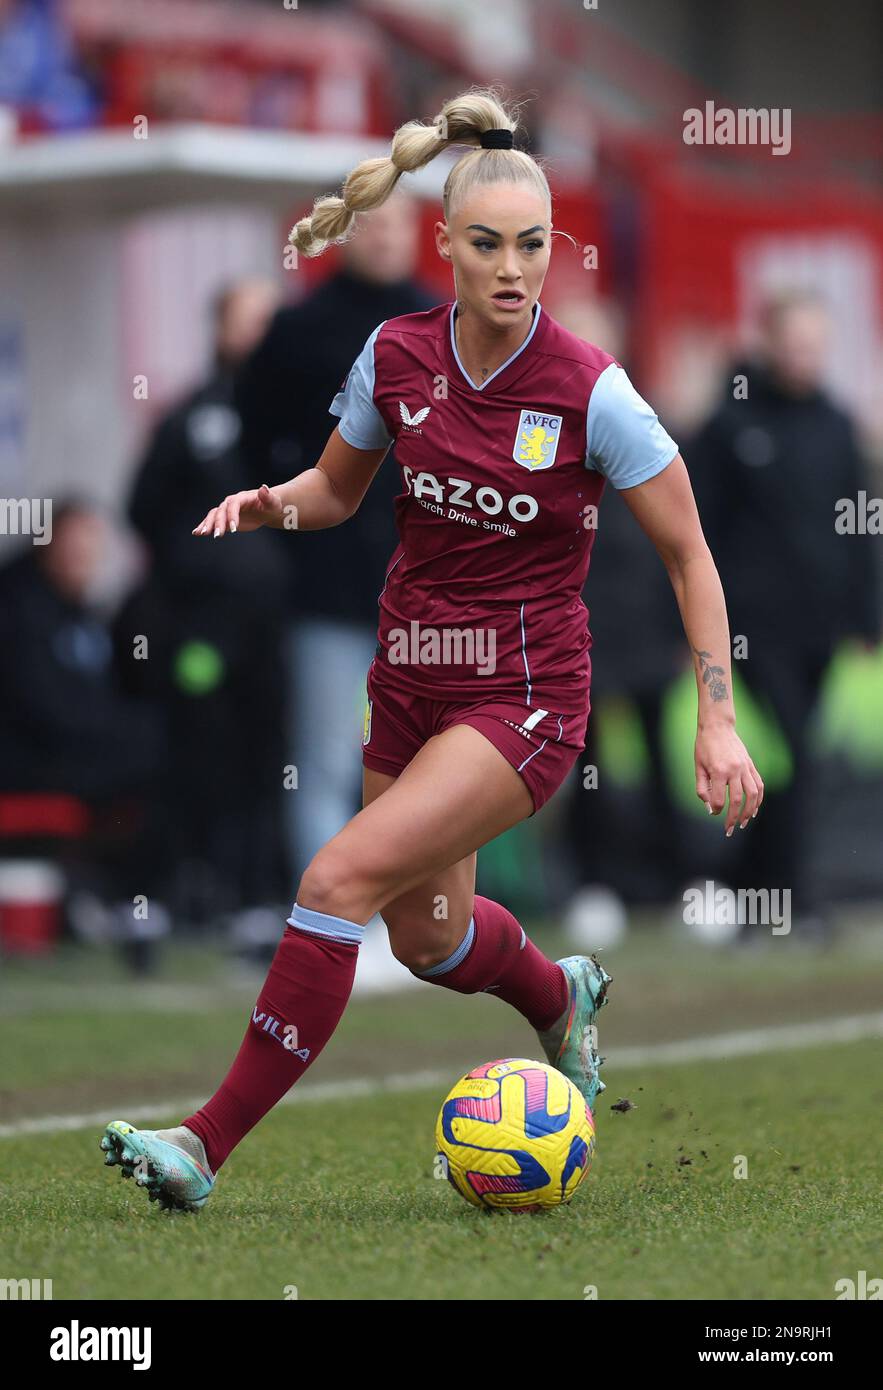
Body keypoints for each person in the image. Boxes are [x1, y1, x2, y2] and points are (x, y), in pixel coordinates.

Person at [98, 88, 764, 1212]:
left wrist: (715, 717)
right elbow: (336, 490)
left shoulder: (595, 393)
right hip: (405, 677)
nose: (515, 268)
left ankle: (203, 1145)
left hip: (524, 694)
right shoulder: (394, 355)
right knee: (428, 936)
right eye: (490, 243)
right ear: (444, 245)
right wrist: (273, 504)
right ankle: (559, 992)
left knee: (336, 874)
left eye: (536, 245)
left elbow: (693, 559)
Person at [236, 194, 436, 872]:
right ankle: (334, 928)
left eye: (397, 224)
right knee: (324, 758)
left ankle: (417, 921)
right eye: (371, 225)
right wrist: (287, 539)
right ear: (345, 233)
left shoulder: (448, 319)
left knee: (424, 764)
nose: (385, 239)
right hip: (326, 586)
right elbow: (254, 445)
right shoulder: (297, 329)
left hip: (430, 587)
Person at [688, 289, 880, 938]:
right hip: (749, 630)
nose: (804, 358)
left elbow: (860, 525)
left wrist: (865, 614)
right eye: (793, 344)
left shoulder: (833, 423)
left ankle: (746, 892)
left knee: (791, 763)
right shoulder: (730, 426)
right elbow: (697, 535)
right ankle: (791, 900)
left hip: (817, 626)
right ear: (766, 342)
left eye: (815, 346)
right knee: (791, 753)